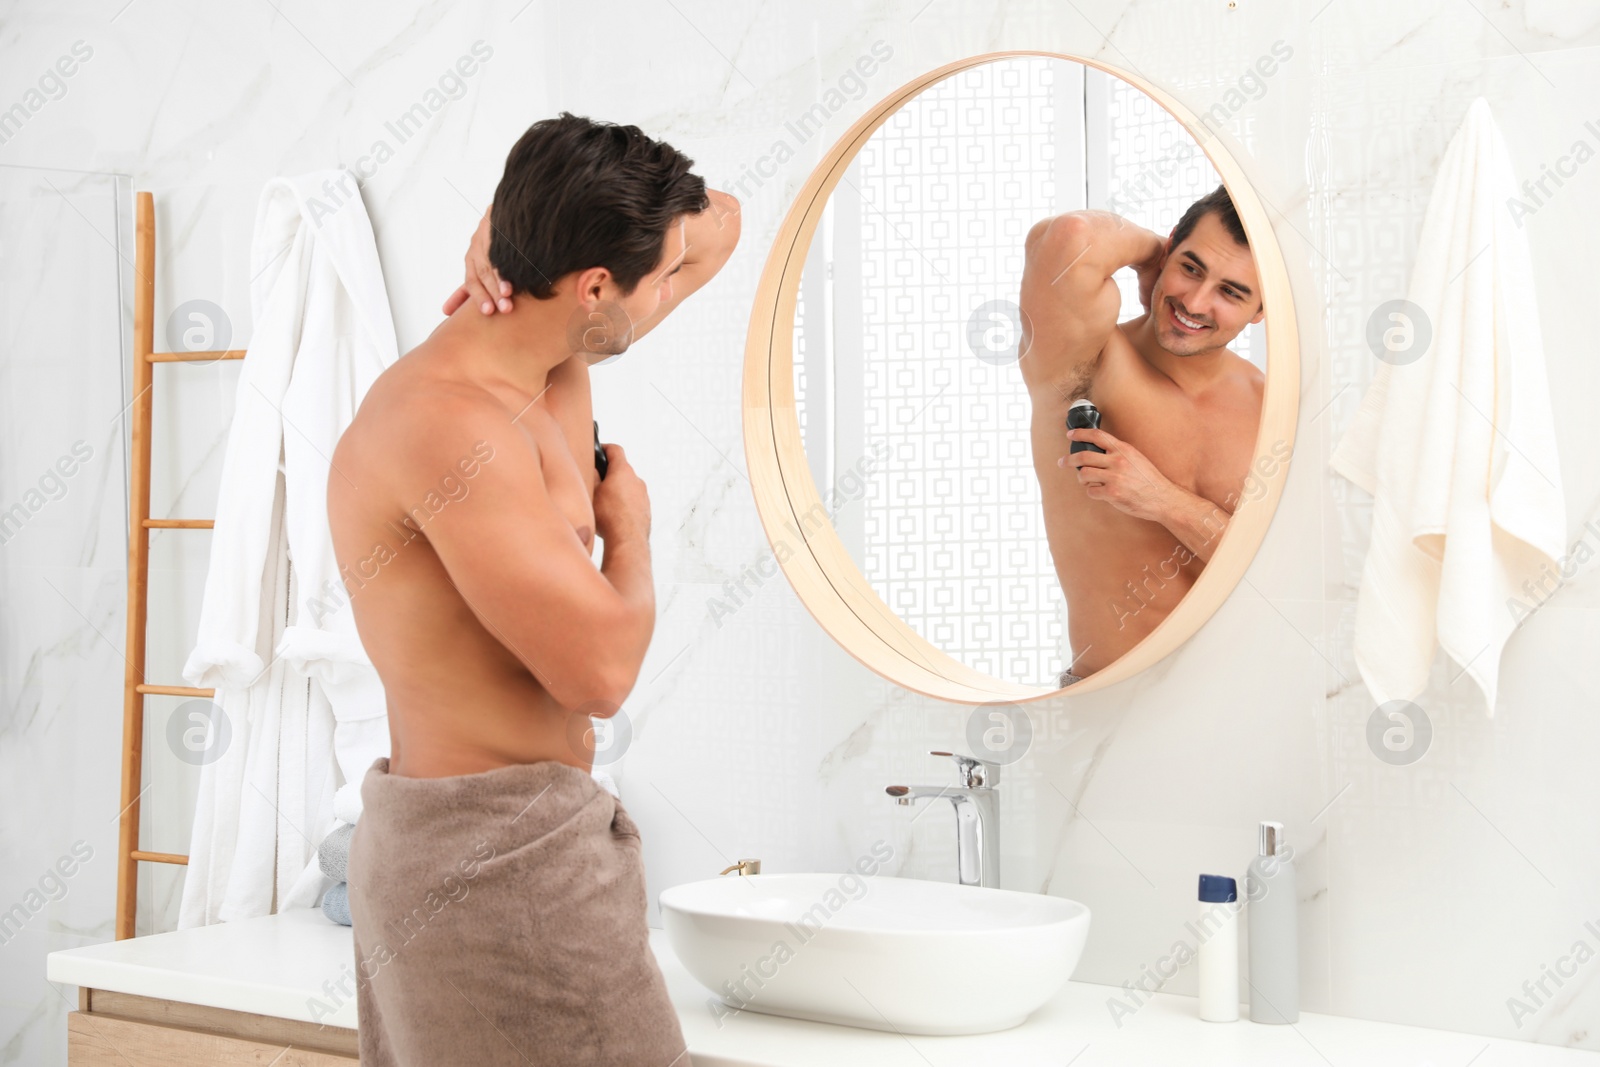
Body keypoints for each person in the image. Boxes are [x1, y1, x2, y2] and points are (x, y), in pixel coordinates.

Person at [329, 112, 739, 1066]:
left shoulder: (554, 356)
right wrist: (629, 529)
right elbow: (598, 670)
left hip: (536, 841)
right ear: (598, 286)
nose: (673, 285)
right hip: (481, 861)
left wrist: (503, 224)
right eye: (657, 275)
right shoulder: (449, 427)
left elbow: (722, 221)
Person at [1017, 186, 1264, 684]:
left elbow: (1277, 573)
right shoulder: (1082, 361)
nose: (1194, 302)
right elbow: (1071, 237)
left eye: (1230, 291)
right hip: (1110, 709)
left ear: (1261, 310)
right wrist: (1151, 253)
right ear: (1170, 248)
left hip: (1243, 701)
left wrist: (1162, 500)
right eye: (1190, 267)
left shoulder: (1271, 405)